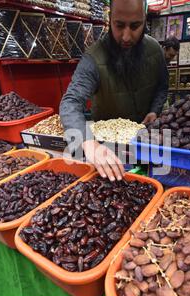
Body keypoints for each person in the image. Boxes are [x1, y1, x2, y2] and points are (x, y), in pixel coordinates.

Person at [60, 0, 168, 182]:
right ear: (110, 19)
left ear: (145, 20)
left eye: (135, 26)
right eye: (119, 25)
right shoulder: (93, 57)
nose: (126, 36)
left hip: (148, 140)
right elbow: (70, 102)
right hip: (108, 150)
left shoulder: (155, 50)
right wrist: (87, 142)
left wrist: (154, 110)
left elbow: (162, 86)